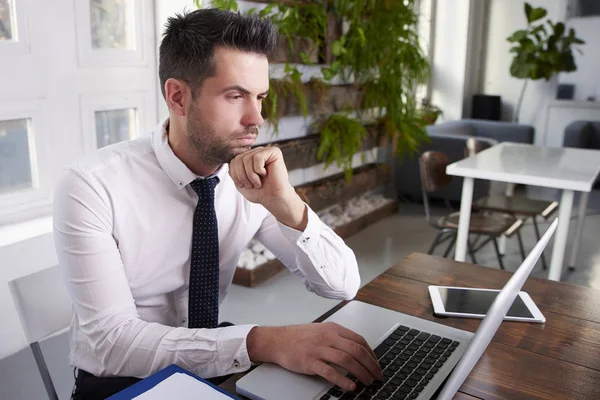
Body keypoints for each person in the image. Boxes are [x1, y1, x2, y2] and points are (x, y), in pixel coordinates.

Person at [53, 8, 382, 399]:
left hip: (211, 360)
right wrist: (265, 342)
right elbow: (111, 343)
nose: (256, 118)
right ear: (178, 96)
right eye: (235, 96)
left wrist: (287, 204)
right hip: (121, 378)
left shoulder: (248, 179)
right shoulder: (92, 185)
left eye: (260, 97)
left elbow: (342, 286)